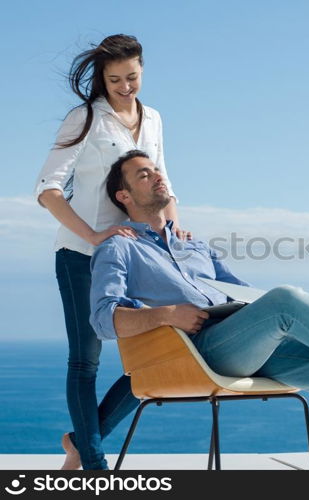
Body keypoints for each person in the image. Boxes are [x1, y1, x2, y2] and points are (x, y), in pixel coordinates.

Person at [89, 149, 309, 470]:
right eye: (144, 174)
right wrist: (168, 314)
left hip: (245, 342)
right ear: (124, 196)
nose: (157, 176)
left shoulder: (192, 245)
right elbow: (104, 319)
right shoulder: (120, 248)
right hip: (195, 352)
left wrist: (278, 310)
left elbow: (240, 291)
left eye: (156, 170)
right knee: (286, 299)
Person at [34, 35, 190, 470]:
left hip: (136, 256)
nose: (125, 87)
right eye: (114, 79)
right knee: (86, 360)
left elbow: (164, 182)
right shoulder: (84, 118)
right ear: (101, 78)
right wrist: (95, 234)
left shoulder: (154, 117)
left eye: (132, 77)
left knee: (155, 354)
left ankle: (83, 444)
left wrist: (173, 229)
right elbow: (46, 190)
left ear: (143, 70)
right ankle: (96, 465)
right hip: (81, 256)